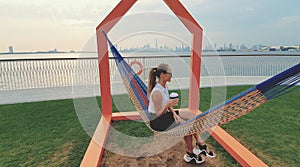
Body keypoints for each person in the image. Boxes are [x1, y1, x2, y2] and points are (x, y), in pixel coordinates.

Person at [147, 63, 216, 164]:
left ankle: (199, 143)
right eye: (170, 73)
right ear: (162, 75)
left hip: (164, 115)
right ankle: (190, 153)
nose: (172, 76)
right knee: (186, 125)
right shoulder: (157, 92)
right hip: (157, 121)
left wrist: (174, 113)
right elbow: (158, 114)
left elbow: (166, 104)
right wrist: (167, 105)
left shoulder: (164, 87)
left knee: (191, 116)